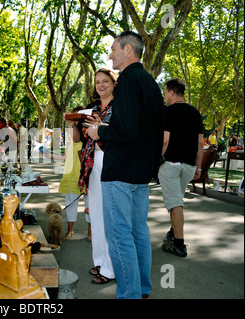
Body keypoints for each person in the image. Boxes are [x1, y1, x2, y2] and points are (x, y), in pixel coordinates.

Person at [87, 31, 164, 299]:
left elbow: (126, 129)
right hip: (141, 174)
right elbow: (152, 132)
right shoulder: (151, 84)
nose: (110, 55)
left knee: (120, 235)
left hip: (120, 172)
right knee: (139, 233)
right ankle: (141, 289)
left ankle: (129, 293)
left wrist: (100, 132)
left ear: (128, 50)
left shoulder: (129, 81)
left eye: (113, 50)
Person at [78, 69, 118, 285]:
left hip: (111, 162)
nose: (100, 85)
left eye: (105, 81)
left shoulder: (119, 106)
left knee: (110, 216)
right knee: (96, 214)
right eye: (97, 82)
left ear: (114, 82)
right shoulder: (93, 108)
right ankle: (100, 261)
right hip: (92, 163)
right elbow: (84, 135)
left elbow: (119, 134)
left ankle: (111, 269)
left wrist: (98, 126)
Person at [158, 78, 204, 258]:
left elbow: (164, 140)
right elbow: (200, 143)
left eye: (165, 92)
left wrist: (156, 161)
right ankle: (173, 232)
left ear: (171, 92)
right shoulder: (195, 113)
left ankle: (179, 244)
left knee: (175, 204)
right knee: (176, 200)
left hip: (171, 165)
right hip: (189, 166)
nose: (164, 95)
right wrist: (198, 166)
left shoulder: (168, 112)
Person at [58, 106, 90, 241]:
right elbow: (72, 144)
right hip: (72, 171)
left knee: (90, 203)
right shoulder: (73, 130)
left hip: (86, 171)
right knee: (70, 202)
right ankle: (70, 230)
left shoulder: (87, 127)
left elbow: (78, 139)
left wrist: (74, 124)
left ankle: (90, 232)